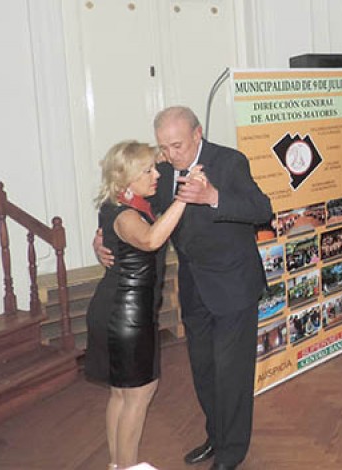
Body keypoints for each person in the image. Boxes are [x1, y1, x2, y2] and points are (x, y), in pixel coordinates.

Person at [95, 106, 273, 470]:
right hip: (194, 286)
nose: (169, 154)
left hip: (233, 284)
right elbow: (129, 210)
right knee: (204, 370)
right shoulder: (161, 171)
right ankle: (216, 436)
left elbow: (261, 209)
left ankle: (231, 452)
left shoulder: (229, 162)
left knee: (231, 373)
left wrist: (213, 197)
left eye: (177, 145)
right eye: (163, 147)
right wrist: (101, 241)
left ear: (197, 133)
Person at [85, 140, 191, 469]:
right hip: (126, 314)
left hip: (115, 307)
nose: (156, 174)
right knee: (139, 394)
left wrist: (163, 150)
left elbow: (119, 239)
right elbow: (150, 239)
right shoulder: (127, 214)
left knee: (121, 393)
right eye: (147, 171)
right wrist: (184, 198)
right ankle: (128, 466)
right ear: (126, 177)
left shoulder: (118, 202)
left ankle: (117, 465)